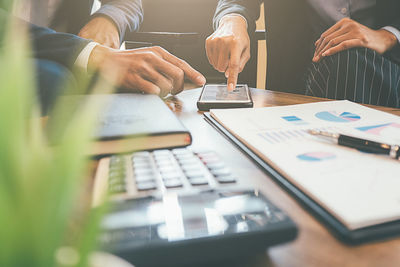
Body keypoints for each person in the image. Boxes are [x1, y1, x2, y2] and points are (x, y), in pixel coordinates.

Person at [1, 7, 206, 113]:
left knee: (134, 86)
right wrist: (89, 53)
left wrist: (109, 19)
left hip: (72, 55)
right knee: (54, 81)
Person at [206, 0, 400, 107]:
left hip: (390, 69)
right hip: (304, 81)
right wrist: (232, 20)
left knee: (348, 61)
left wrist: (389, 35)